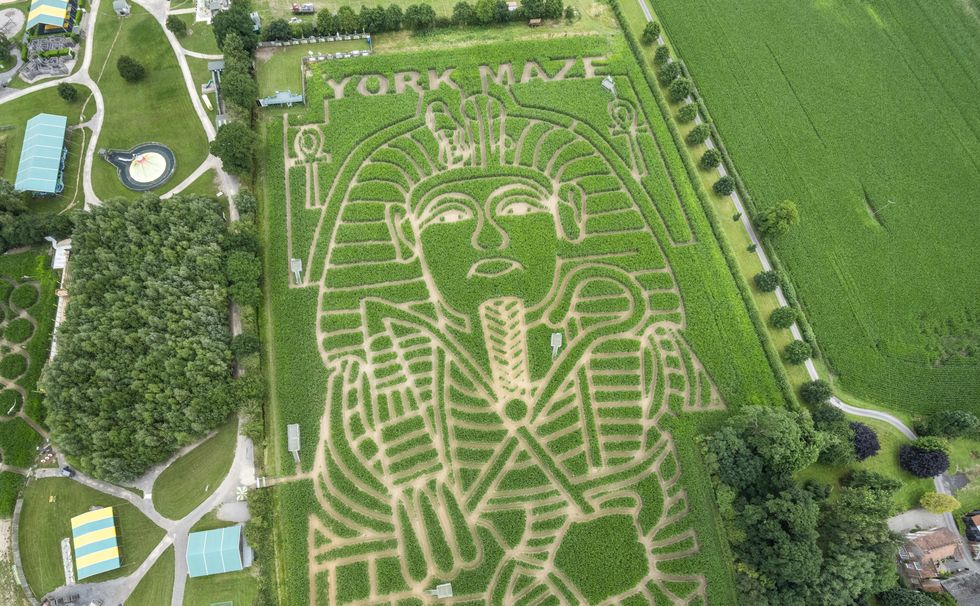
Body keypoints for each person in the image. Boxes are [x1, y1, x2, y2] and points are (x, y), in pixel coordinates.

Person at [305, 90, 721, 603]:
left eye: (519, 206)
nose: (487, 238)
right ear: (405, 235)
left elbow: (695, 498)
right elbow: (350, 547)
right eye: (450, 218)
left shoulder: (649, 356)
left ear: (566, 215)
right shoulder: (371, 395)